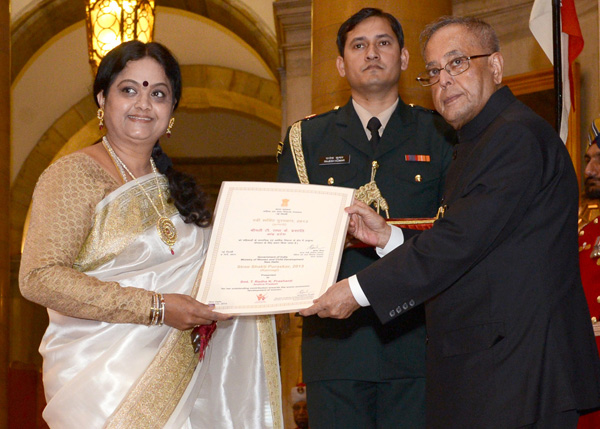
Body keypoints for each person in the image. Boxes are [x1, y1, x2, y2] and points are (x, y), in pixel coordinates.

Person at [301, 15, 600, 428]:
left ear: (495, 66)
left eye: (457, 63)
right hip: (494, 373)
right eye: (434, 71)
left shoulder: (514, 136)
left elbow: (458, 242)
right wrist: (388, 237)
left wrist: (357, 289)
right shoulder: (477, 142)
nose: (443, 80)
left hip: (520, 374)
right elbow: (470, 249)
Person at [19, 41, 282, 428]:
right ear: (102, 99)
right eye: (129, 90)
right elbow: (39, 277)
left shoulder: (178, 191)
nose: (144, 103)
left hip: (186, 375)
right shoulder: (73, 175)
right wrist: (157, 307)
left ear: (171, 111)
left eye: (158, 94)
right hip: (102, 382)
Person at [277, 7, 454, 428]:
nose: (371, 53)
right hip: (336, 345)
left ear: (405, 57)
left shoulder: (441, 133)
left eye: (383, 43)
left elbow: (453, 237)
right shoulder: (306, 138)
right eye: (359, 45)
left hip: (418, 342)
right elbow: (285, 237)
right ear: (341, 64)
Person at [577, 119, 600, 429]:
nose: (589, 170)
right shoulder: (581, 230)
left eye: (599, 161)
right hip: (584, 371)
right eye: (588, 160)